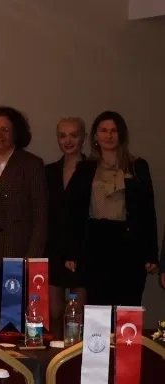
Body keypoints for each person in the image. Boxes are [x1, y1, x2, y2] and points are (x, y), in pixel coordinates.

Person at [0, 106, 47, 340]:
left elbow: (40, 214)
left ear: (16, 132)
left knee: (14, 323)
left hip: (18, 253)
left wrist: (32, 257)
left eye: (5, 129)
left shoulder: (31, 164)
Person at [75, 111, 157, 308]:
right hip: (96, 243)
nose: (109, 135)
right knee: (98, 306)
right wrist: (72, 252)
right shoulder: (85, 168)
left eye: (114, 131)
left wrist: (151, 254)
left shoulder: (137, 166)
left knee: (128, 306)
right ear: (96, 136)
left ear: (122, 135)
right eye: (103, 130)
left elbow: (148, 212)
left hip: (129, 245)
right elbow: (74, 211)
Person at [49, 117, 91, 330]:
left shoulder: (93, 169)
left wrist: (75, 252)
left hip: (83, 246)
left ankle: (77, 350)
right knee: (53, 312)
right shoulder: (49, 171)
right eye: (62, 136)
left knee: (78, 314)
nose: (68, 141)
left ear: (84, 137)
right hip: (54, 246)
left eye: (74, 135)